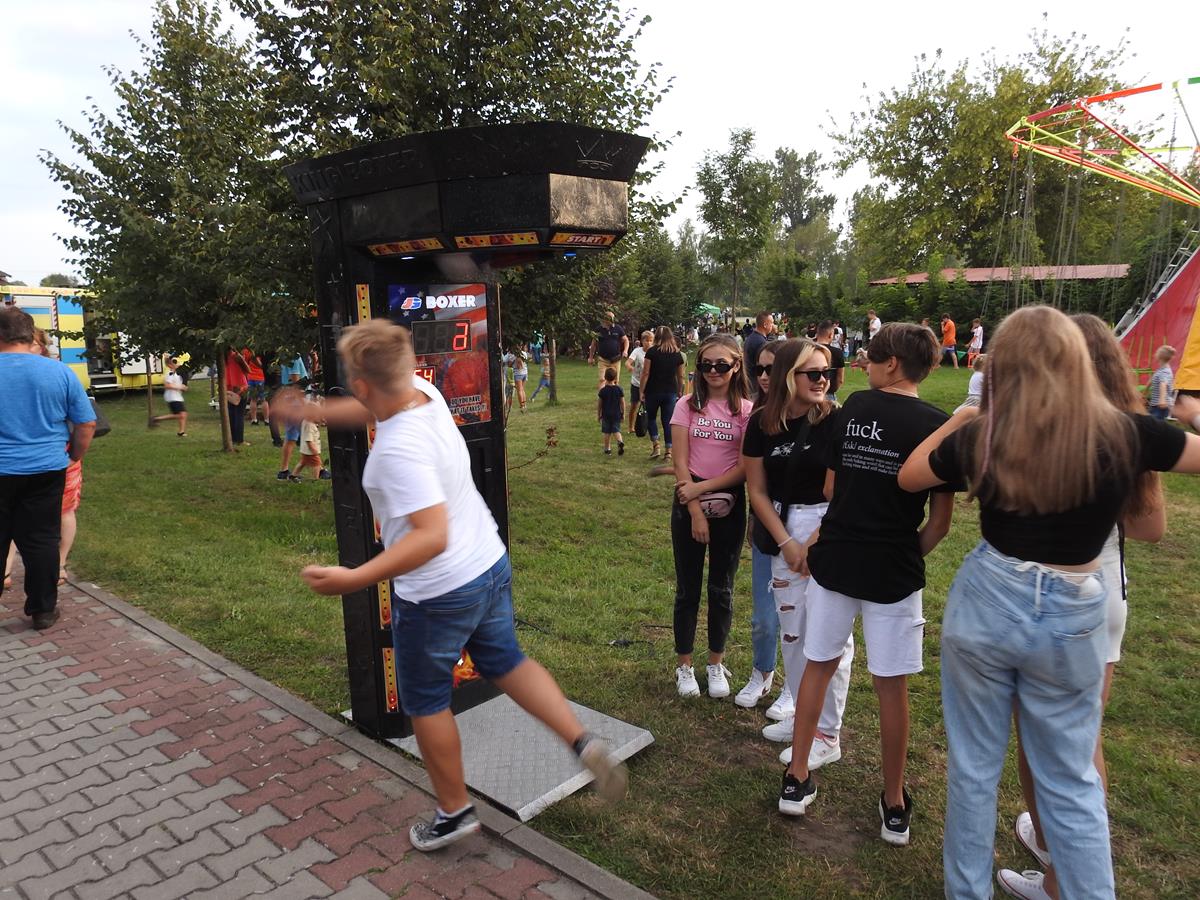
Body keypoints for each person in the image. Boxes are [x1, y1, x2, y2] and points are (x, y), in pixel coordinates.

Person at [898, 305, 1200, 899]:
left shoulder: (985, 434)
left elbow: (910, 477)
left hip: (988, 597)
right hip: (1075, 606)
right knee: (1071, 779)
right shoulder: (1124, 431)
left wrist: (966, 416)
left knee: (974, 770)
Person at [294, 319, 627, 850]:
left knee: (426, 701)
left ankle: (454, 813)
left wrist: (354, 578)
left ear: (359, 384)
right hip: (488, 564)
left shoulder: (395, 454)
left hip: (437, 594)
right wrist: (312, 410)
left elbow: (430, 537)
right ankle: (582, 741)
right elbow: (368, 407)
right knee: (506, 661)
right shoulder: (422, 392)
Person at [994, 314, 1167, 900]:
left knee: (1056, 743)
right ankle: (1056, 849)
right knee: (1074, 735)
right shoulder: (1128, 430)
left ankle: (1062, 876)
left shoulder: (1048, 427)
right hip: (1105, 594)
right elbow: (1151, 527)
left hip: (1057, 596)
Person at [780, 323, 957, 849]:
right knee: (891, 684)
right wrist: (900, 552)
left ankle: (797, 776)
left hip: (835, 559)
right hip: (894, 571)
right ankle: (894, 803)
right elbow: (940, 524)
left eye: (871, 358)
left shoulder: (854, 406)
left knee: (818, 664)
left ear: (892, 364)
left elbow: (830, 489)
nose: (863, 365)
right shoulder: (940, 427)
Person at [742, 339, 852, 771]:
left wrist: (812, 542)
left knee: (830, 637)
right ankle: (803, 714)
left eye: (827, 372)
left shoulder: (836, 421)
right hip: (782, 529)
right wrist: (787, 542)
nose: (823, 380)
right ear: (788, 375)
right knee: (793, 632)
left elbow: (842, 491)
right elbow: (757, 489)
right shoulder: (761, 423)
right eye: (813, 373)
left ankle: (827, 733)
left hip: (827, 528)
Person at [669, 334, 754, 699]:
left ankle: (715, 663)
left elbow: (744, 469)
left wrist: (701, 490)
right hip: (687, 502)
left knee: (722, 588)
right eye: (706, 365)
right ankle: (685, 665)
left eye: (722, 365)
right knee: (688, 588)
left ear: (736, 366)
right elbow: (680, 462)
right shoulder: (686, 406)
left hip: (729, 504)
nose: (713, 371)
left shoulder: (747, 411)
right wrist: (694, 509)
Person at [0, 306, 96, 630]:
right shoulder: (58, 372)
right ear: (29, 335)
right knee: (41, 540)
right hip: (45, 469)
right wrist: (74, 456)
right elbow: (86, 423)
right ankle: (42, 611)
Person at [734, 342, 788, 719]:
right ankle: (762, 672)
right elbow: (755, 482)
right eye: (760, 369)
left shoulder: (818, 416)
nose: (765, 376)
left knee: (800, 617)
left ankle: (795, 687)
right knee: (764, 616)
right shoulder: (758, 418)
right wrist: (756, 518)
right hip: (768, 524)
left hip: (807, 528)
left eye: (772, 368)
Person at [640, 326, 686, 462]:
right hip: (670, 391)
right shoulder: (677, 354)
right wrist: (680, 391)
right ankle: (669, 452)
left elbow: (646, 373)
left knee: (651, 418)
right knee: (667, 421)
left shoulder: (651, 352)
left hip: (652, 390)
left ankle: (656, 445)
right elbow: (681, 376)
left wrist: (641, 390)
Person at [276, 354, 309, 479]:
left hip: (289, 401)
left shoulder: (285, 356)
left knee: (290, 437)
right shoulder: (294, 357)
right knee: (309, 435)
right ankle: (320, 469)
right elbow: (296, 382)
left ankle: (283, 470)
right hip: (297, 404)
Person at [289, 401, 332, 482]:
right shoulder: (309, 426)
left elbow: (317, 421)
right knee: (317, 464)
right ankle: (315, 479)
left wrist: (321, 421)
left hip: (305, 450)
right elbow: (309, 440)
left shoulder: (306, 421)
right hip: (310, 451)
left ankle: (293, 475)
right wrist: (314, 451)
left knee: (302, 463)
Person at [588, 311, 629, 390]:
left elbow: (626, 340)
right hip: (603, 360)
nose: (611, 321)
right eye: (609, 318)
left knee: (615, 381)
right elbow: (593, 344)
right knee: (602, 380)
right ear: (605, 319)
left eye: (612, 318)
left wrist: (625, 350)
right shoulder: (599, 329)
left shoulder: (618, 328)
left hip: (616, 360)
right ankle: (602, 396)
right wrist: (590, 357)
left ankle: (615, 396)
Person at [151, 355, 189, 436]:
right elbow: (167, 385)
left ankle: (181, 432)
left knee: (182, 415)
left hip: (177, 396)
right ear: (169, 365)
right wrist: (180, 387)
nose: (177, 364)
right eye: (174, 362)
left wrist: (183, 386)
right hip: (172, 397)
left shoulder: (176, 374)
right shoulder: (169, 374)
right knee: (181, 414)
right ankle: (156, 419)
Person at [626, 330, 652, 434]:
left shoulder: (654, 352)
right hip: (636, 383)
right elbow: (628, 362)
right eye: (647, 340)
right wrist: (630, 367)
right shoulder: (637, 351)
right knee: (634, 405)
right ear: (642, 341)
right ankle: (631, 427)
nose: (649, 343)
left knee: (649, 406)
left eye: (651, 341)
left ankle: (648, 426)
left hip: (649, 384)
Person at [224, 347, 251, 446]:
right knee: (239, 414)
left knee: (232, 414)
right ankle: (240, 440)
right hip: (240, 386)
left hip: (228, 386)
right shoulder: (236, 356)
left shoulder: (223, 356)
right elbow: (248, 370)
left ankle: (233, 438)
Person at [813, 320, 846, 402]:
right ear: (831, 334)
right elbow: (840, 379)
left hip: (810, 393)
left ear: (817, 334)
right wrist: (832, 389)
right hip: (829, 394)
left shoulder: (808, 350)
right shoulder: (837, 352)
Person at [597, 367, 625, 455]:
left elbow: (600, 404)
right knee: (616, 430)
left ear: (605, 377)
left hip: (606, 415)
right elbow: (622, 403)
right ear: (615, 378)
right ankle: (620, 441)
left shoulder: (603, 391)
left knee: (607, 432)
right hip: (616, 414)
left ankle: (607, 449)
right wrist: (623, 413)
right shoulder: (619, 389)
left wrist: (599, 414)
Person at [1147, 345, 1176, 420]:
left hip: (1160, 405)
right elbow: (1153, 379)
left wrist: (1162, 400)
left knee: (1155, 424)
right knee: (1152, 422)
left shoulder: (1165, 371)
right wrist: (1145, 390)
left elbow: (1163, 384)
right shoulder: (1161, 369)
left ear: (1159, 357)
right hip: (1156, 404)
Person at [243, 349, 269, 425]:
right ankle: (266, 420)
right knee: (263, 399)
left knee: (253, 399)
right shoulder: (260, 350)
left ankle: (254, 419)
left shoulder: (246, 351)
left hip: (250, 377)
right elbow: (262, 365)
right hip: (261, 377)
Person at [512, 346, 528, 413]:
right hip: (525, 373)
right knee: (522, 390)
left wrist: (513, 363)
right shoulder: (524, 353)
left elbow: (519, 367)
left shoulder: (516, 357)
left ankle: (522, 406)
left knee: (519, 390)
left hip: (518, 374)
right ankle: (524, 404)